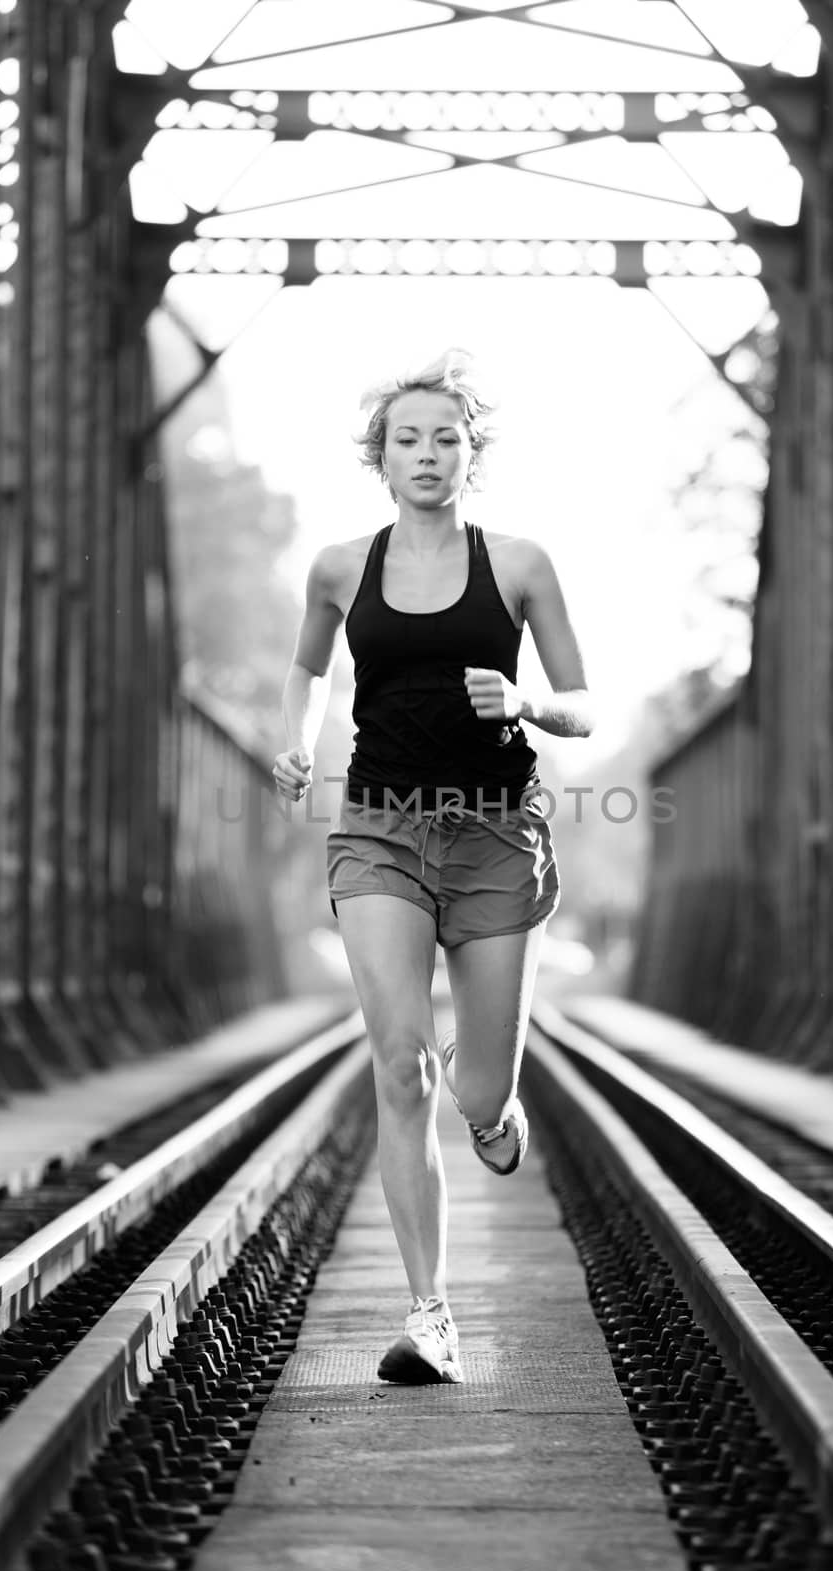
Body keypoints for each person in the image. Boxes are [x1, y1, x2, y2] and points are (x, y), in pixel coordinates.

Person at [272, 350, 594, 1385]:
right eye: (406, 438)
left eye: (445, 438)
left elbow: (584, 705)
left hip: (496, 831)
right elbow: (309, 669)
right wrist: (292, 739)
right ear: (380, 456)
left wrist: (529, 701)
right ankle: (429, 1316)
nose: (426, 454)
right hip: (381, 828)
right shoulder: (336, 566)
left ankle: (491, 1099)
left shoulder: (521, 564)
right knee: (398, 1064)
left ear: (470, 452)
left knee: (477, 1092)